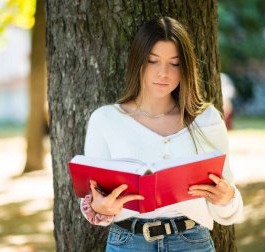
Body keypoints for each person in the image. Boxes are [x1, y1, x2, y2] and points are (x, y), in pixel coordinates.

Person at [79, 17, 243, 252]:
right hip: (128, 243)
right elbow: (90, 197)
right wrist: (101, 208)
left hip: (192, 242)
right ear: (138, 63)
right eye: (152, 61)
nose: (163, 73)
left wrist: (226, 199)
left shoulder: (206, 119)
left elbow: (227, 211)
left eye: (174, 63)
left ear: (185, 67)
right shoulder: (105, 119)